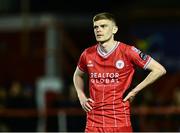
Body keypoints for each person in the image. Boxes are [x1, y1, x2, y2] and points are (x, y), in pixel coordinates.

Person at [73, 12, 166, 132]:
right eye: (96, 27)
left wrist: (134, 91)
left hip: (119, 122)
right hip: (93, 124)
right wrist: (81, 96)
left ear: (114, 29)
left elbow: (159, 70)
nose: (98, 30)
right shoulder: (87, 54)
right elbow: (77, 75)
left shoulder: (128, 51)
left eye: (103, 26)